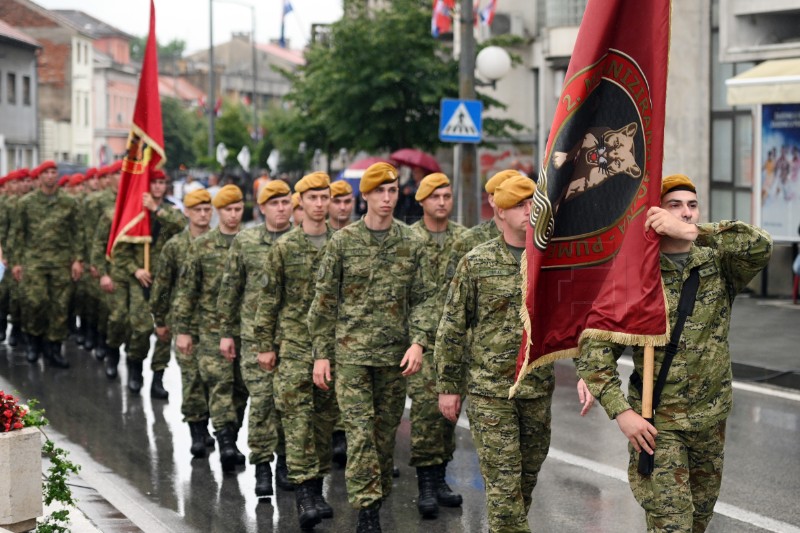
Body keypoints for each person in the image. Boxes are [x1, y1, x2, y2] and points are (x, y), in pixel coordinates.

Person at [576, 173, 772, 533]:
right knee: (673, 526)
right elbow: (593, 353)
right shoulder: (636, 275)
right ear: (655, 214)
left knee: (698, 521)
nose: (686, 213)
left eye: (692, 206)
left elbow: (760, 246)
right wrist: (622, 414)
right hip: (657, 423)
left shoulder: (718, 264)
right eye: (675, 205)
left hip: (710, 419)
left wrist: (698, 234)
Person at [436, 175, 594, 533]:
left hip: (536, 388)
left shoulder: (552, 263)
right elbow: (452, 328)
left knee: (524, 481)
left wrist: (588, 372)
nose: (529, 211)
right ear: (500, 212)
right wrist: (448, 385)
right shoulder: (477, 263)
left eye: (533, 204)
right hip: (491, 392)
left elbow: (575, 324)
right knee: (505, 489)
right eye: (520, 205)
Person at [308, 162, 436, 533]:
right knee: (360, 432)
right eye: (379, 191)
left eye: (392, 191)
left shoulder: (412, 242)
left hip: (395, 357)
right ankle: (367, 514)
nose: (386, 198)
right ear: (364, 196)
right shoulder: (343, 242)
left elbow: (427, 298)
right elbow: (324, 302)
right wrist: (321, 354)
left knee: (383, 435)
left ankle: (374, 500)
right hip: (351, 357)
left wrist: (418, 342)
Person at [255, 172, 337, 528]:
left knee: (323, 424)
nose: (320, 205)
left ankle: (317, 488)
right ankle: (304, 493)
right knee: (297, 422)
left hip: (333, 351)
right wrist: (264, 345)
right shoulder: (284, 248)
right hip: (294, 348)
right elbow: (268, 300)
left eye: (325, 198)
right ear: (299, 203)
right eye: (313, 198)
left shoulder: (342, 243)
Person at [217, 180, 293, 494]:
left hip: (293, 339)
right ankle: (262, 465)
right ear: (262, 207)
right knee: (261, 403)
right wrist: (226, 333)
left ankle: (287, 464)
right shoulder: (246, 242)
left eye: (286, 202)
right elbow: (230, 290)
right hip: (253, 338)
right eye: (274, 203)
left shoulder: (304, 241)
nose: (281, 208)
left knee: (290, 404)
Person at [174, 185, 249, 472]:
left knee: (241, 390)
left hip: (247, 330)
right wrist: (183, 329)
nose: (233, 215)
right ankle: (226, 442)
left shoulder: (250, 243)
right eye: (228, 210)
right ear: (219, 212)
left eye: (237, 209)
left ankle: (232, 433)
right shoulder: (201, 247)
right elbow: (186, 291)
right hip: (210, 329)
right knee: (220, 384)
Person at [94, 169, 185, 393]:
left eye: (162, 182)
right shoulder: (133, 214)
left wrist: (158, 211)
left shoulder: (170, 211)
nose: (158, 187)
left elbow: (183, 226)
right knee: (140, 327)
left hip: (165, 282)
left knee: (165, 330)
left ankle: (157, 379)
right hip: (139, 280)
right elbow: (119, 251)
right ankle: (131, 364)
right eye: (154, 182)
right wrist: (136, 270)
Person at [407, 172, 465, 518]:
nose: (442, 201)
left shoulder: (463, 238)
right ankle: (426, 483)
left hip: (456, 340)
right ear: (422, 201)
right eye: (435, 196)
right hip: (420, 340)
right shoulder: (409, 240)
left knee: (449, 412)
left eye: (447, 195)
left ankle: (440, 477)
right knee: (429, 409)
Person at [150, 189, 214, 458]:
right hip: (184, 323)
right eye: (196, 209)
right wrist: (161, 320)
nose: (202, 214)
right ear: (186, 212)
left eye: (206, 209)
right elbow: (162, 287)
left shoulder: (223, 243)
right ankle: (197, 432)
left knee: (216, 380)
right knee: (192, 379)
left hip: (215, 324)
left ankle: (212, 425)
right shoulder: (175, 246)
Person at [8, 160, 83, 369]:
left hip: (61, 262)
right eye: (47, 172)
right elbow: (17, 234)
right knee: (35, 302)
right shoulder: (26, 203)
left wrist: (78, 259)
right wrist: (15, 262)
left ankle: (54, 348)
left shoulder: (68, 202)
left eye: (53, 172)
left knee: (59, 306)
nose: (51, 176)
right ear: (40, 177)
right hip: (34, 261)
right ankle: (34, 341)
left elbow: (78, 232)